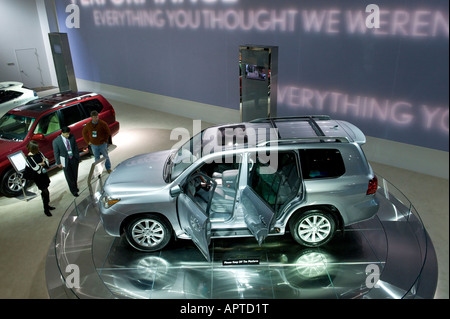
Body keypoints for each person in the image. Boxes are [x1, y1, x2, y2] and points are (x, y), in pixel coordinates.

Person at [24, 141, 54, 217]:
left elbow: (46, 161)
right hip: (38, 177)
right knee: (45, 191)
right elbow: (36, 168)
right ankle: (46, 209)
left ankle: (47, 205)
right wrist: (42, 163)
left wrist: (42, 163)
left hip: (43, 174)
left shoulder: (39, 153)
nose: (38, 149)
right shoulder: (29, 158)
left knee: (45, 191)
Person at [53, 126, 80, 197]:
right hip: (65, 161)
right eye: (66, 134)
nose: (68, 135)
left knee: (75, 175)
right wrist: (58, 163)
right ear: (62, 133)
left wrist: (77, 157)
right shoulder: (56, 141)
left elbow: (75, 147)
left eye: (69, 134)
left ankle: (75, 187)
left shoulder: (72, 137)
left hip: (73, 159)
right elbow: (56, 153)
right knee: (69, 177)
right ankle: (73, 191)